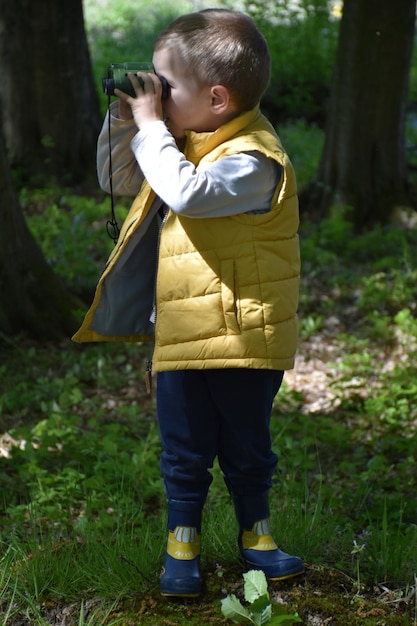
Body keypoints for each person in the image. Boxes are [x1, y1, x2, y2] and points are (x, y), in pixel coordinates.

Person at [73, 8, 304, 598]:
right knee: (184, 450)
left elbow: (187, 192)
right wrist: (129, 123)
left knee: (247, 448)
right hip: (179, 330)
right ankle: (183, 547)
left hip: (241, 337)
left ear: (218, 98)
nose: (155, 94)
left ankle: (258, 539)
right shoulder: (187, 138)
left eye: (165, 85)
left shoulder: (254, 158)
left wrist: (154, 129)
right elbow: (116, 179)